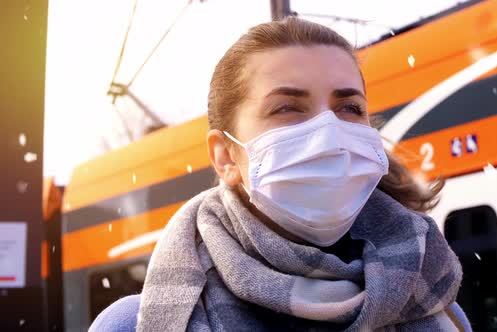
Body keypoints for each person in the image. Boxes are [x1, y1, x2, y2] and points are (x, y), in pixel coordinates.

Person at [90, 17, 470, 332]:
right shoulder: (131, 325)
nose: (329, 134)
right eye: (288, 107)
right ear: (225, 156)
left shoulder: (438, 308)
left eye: (350, 107)